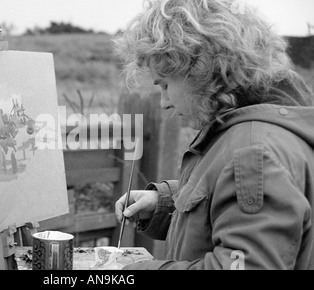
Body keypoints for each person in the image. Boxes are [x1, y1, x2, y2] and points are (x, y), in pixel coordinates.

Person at [113, 0, 314, 270]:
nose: (164, 103)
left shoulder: (253, 152)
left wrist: (130, 272)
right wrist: (165, 203)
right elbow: (229, 211)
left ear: (201, 70)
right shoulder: (250, 134)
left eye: (165, 85)